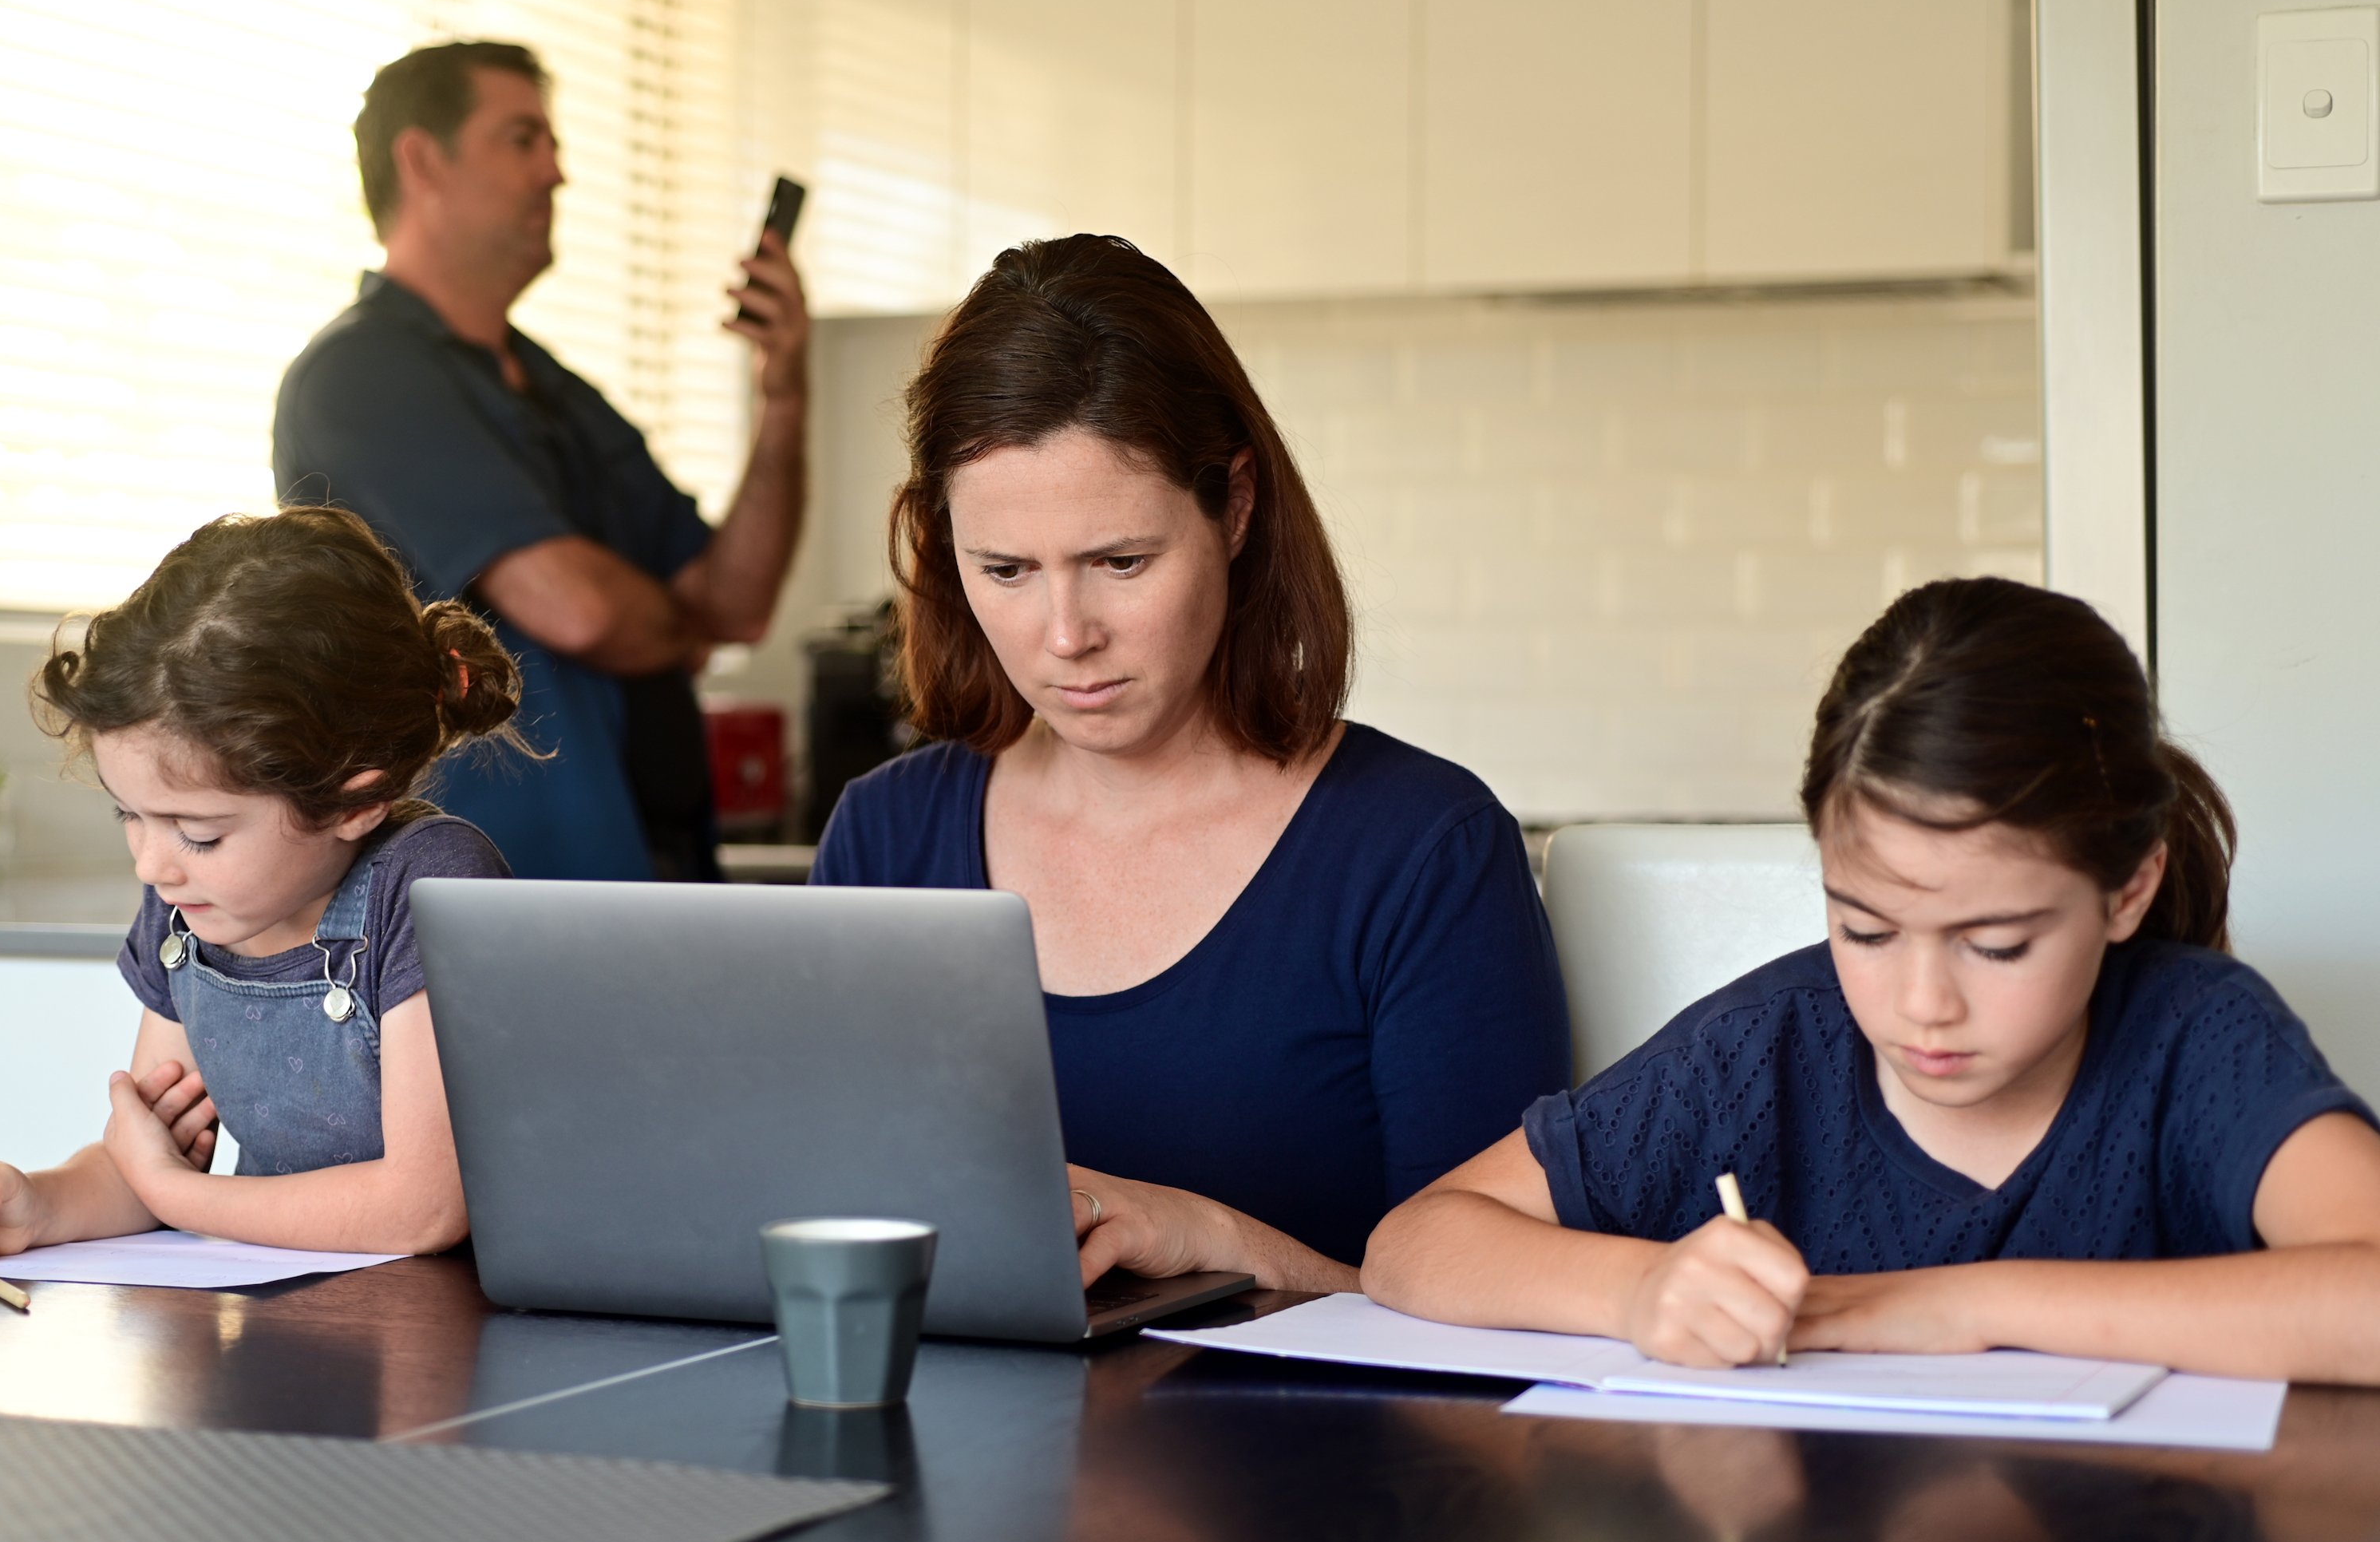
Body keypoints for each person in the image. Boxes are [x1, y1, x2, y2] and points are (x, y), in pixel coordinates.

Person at [1364, 576, 2380, 1384]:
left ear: (2126, 890)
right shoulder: (1765, 1049)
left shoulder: (2196, 1040)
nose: (1921, 1002)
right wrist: (1639, 1290)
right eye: (1866, 927)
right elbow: (1413, 1245)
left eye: (1995, 944)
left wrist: (1962, 1307)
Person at [811, 234, 1572, 1293]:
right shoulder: (883, 836)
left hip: (1320, 1460)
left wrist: (1224, 1242)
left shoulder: (1421, 852)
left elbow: (1502, 1310)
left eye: (1120, 562)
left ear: (1237, 507)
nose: (1065, 633)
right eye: (1006, 570)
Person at [0, 507, 523, 1259]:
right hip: (284, 1328)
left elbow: (421, 1209)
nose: (151, 865)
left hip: (444, 1336)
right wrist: (36, 1205)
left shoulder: (429, 886)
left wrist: (177, 1193)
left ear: (358, 799)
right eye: (129, 815)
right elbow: (150, 1162)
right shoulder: (188, 904)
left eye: (199, 833)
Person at [273, 41, 808, 882]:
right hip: (496, 892)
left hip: (653, 868)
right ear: (422, 160)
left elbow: (735, 603)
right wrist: (678, 626)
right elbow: (580, 611)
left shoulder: (557, 390)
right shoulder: (363, 376)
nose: (555, 173)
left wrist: (783, 399)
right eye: (522, 140)